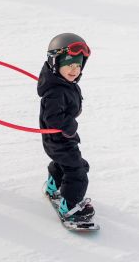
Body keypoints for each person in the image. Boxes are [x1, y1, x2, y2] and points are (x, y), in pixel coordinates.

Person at [38, 33, 95, 221]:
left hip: (58, 142)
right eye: (69, 64)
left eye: (78, 65)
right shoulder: (56, 92)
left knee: (65, 164)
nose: (74, 70)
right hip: (59, 141)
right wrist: (70, 125)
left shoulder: (62, 82)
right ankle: (70, 207)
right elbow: (53, 118)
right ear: (55, 63)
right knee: (78, 171)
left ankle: (53, 184)